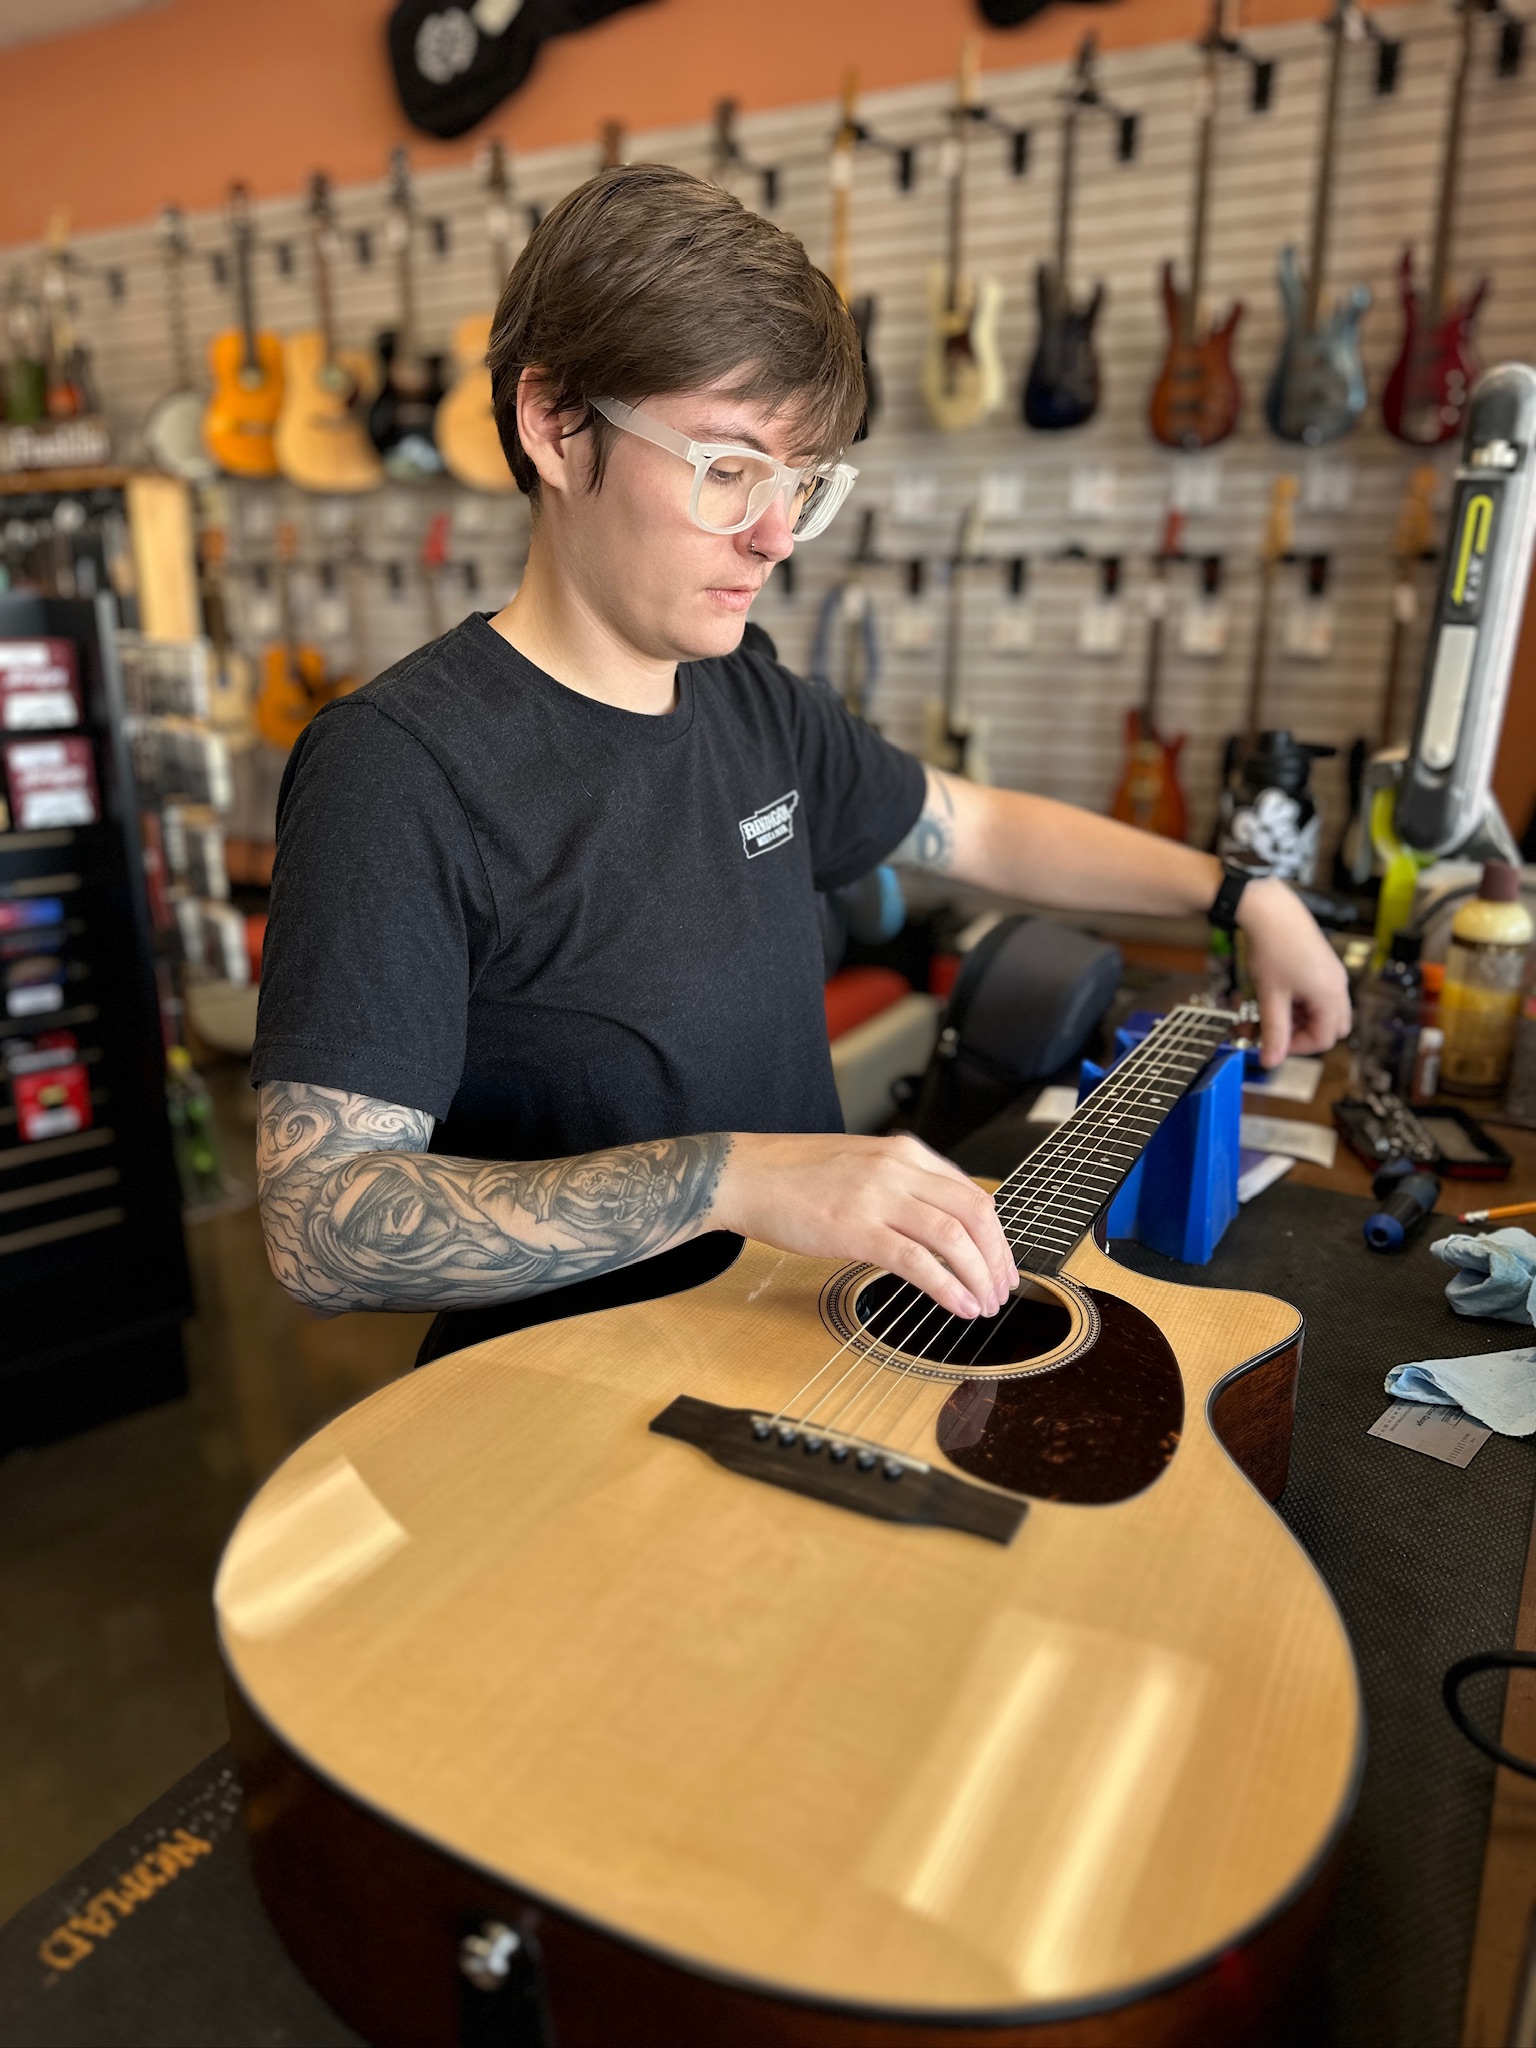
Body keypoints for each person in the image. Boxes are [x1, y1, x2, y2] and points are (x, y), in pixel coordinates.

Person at [251, 164, 1350, 1362]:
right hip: (574, 1416)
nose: (776, 535)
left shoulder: (749, 694)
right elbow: (323, 1225)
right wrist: (730, 1177)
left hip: (808, 1346)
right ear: (555, 422)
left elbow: (974, 827)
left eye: (802, 483)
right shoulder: (397, 768)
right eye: (728, 470)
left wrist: (1240, 893)